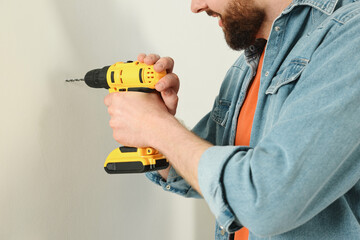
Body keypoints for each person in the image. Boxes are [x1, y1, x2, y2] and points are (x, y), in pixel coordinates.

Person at [104, 0, 360, 239]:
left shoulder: (350, 34)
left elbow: (265, 200)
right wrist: (156, 135)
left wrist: (155, 125)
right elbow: (216, 177)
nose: (196, 6)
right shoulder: (248, 64)